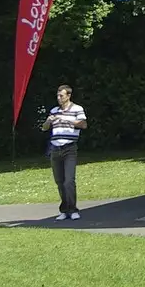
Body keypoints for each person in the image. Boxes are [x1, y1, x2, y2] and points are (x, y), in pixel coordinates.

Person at [43, 85, 87, 221]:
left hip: (69, 148)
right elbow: (44, 128)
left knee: (69, 181)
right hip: (55, 149)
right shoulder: (54, 110)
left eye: (61, 96)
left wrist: (65, 119)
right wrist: (48, 121)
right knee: (59, 181)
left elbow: (83, 124)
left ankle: (73, 209)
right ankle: (65, 209)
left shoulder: (77, 109)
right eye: (57, 95)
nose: (59, 98)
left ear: (68, 96)